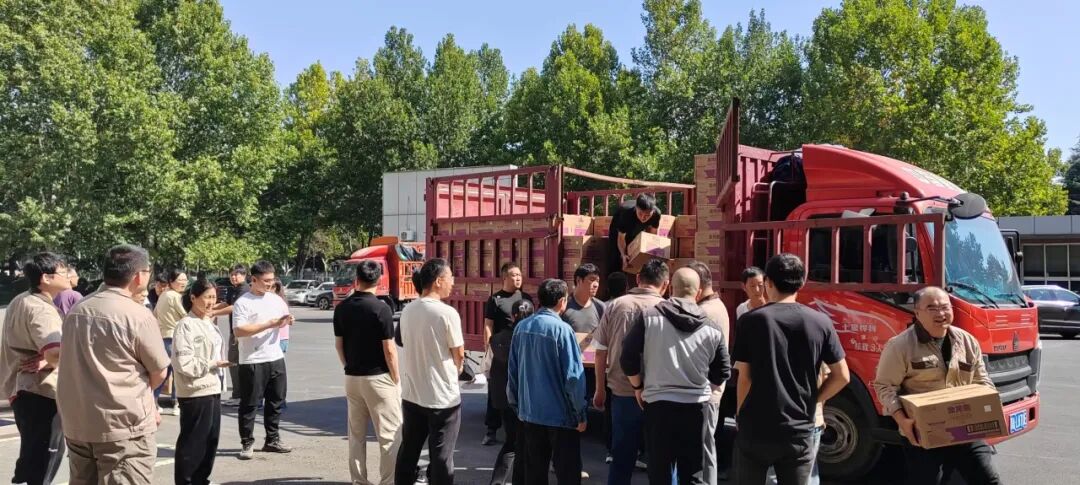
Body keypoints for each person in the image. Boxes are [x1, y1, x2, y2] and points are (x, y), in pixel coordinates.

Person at [732, 253, 850, 485]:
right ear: (802, 282)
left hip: (756, 427)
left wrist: (739, 414)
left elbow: (745, 377)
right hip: (799, 428)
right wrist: (813, 399)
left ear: (768, 282)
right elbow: (842, 376)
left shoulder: (751, 320)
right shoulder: (820, 322)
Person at [57, 244, 171, 484]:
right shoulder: (137, 315)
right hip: (123, 426)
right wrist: (145, 397)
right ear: (139, 276)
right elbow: (159, 371)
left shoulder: (78, 309)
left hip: (79, 422)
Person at [872, 286, 1001, 485]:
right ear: (917, 313)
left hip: (965, 428)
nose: (941, 314)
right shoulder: (900, 346)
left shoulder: (967, 341)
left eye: (945, 307)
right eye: (932, 308)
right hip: (924, 434)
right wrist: (902, 420)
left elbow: (982, 380)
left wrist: (989, 406)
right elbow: (884, 386)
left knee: (988, 479)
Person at [621, 267, 731, 484]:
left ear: (671, 288)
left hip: (659, 406)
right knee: (693, 474)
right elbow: (723, 371)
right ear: (698, 293)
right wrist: (703, 387)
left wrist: (638, 388)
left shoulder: (649, 318)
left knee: (660, 472)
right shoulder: (712, 328)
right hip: (697, 408)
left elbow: (627, 358)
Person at [593, 259, 670, 485]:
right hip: (659, 395)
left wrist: (600, 389)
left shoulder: (616, 305)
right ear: (665, 284)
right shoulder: (668, 309)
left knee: (622, 457)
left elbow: (600, 352)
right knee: (663, 458)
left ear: (637, 279)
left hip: (622, 392)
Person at [508, 279, 588, 485]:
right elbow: (573, 377)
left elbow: (513, 372)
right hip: (561, 417)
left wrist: (517, 406)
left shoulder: (522, 327)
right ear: (562, 301)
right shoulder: (563, 330)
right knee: (568, 473)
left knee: (534, 473)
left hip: (530, 413)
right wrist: (580, 413)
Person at [0, 252, 70, 485]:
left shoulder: (20, 300)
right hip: (41, 391)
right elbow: (54, 352)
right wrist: (49, 359)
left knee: (31, 455)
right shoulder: (42, 308)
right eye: (64, 271)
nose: (69, 274)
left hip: (20, 389)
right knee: (45, 457)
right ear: (46, 278)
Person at [395, 258, 465, 485]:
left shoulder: (407, 310)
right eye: (450, 277)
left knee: (409, 451)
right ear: (438, 281)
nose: (453, 282)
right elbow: (459, 354)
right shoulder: (447, 313)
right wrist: (457, 369)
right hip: (442, 398)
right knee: (442, 457)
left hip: (412, 395)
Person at [335, 261, 402, 485]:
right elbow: (389, 349)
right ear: (379, 279)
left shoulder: (342, 308)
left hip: (352, 377)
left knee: (356, 435)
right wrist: (395, 378)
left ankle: (359, 480)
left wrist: (348, 366)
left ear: (357, 279)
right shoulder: (381, 309)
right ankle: (388, 481)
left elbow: (339, 345)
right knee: (389, 435)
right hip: (379, 377)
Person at [232, 261, 293, 459]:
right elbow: (239, 331)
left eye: (272, 280)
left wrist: (286, 321)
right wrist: (269, 324)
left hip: (275, 356)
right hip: (252, 360)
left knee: (276, 401)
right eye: (266, 280)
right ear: (254, 279)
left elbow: (282, 319)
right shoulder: (243, 302)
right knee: (250, 403)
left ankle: (272, 439)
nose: (270, 284)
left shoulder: (276, 300)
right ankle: (247, 442)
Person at [172, 279, 230, 485]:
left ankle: (201, 480)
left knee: (210, 441)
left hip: (213, 388)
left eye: (214, 297)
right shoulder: (185, 325)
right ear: (193, 298)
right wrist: (213, 363)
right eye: (207, 297)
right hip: (195, 391)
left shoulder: (208, 321)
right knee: (193, 443)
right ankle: (186, 481)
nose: (211, 302)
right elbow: (183, 363)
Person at [687, 261, 731, 484]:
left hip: (705, 389)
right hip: (710, 388)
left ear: (699, 286)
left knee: (704, 445)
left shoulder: (705, 312)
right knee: (706, 442)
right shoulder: (717, 305)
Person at [482, 262, 533, 446]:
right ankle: (491, 430)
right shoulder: (495, 299)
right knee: (496, 389)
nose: (518, 278)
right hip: (502, 350)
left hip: (521, 348)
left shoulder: (526, 298)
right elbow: (488, 325)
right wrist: (489, 347)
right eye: (514, 275)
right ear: (504, 277)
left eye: (519, 275)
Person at [488, 299, 534, 485]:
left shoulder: (497, 339)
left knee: (512, 441)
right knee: (524, 444)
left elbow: (489, 371)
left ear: (512, 316)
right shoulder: (531, 337)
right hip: (525, 399)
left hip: (504, 399)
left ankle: (497, 482)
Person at [155, 269, 188, 416]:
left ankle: (154, 401)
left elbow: (155, 314)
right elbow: (186, 315)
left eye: (185, 280)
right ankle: (177, 403)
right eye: (180, 280)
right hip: (176, 337)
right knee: (178, 372)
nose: (183, 283)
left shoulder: (163, 295)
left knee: (163, 372)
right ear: (171, 282)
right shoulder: (176, 297)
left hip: (163, 338)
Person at [215, 264, 249, 407]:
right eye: (232, 274)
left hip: (241, 333)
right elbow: (226, 304)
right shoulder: (233, 289)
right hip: (234, 331)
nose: (233, 277)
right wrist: (210, 307)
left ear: (244, 275)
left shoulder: (244, 289)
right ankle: (239, 394)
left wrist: (213, 313)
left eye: (237, 274)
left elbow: (234, 307)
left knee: (235, 362)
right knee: (234, 363)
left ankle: (239, 395)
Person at [606, 194, 662, 276]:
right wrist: (623, 255)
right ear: (636, 208)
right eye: (640, 214)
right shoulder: (626, 213)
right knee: (616, 256)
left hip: (637, 228)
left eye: (647, 215)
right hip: (619, 230)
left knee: (636, 255)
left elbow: (652, 235)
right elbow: (621, 238)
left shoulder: (656, 214)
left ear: (652, 211)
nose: (643, 218)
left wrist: (648, 252)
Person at [561, 263, 606, 334]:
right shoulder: (564, 305)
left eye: (597, 281)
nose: (596, 285)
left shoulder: (600, 307)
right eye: (592, 280)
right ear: (579, 280)